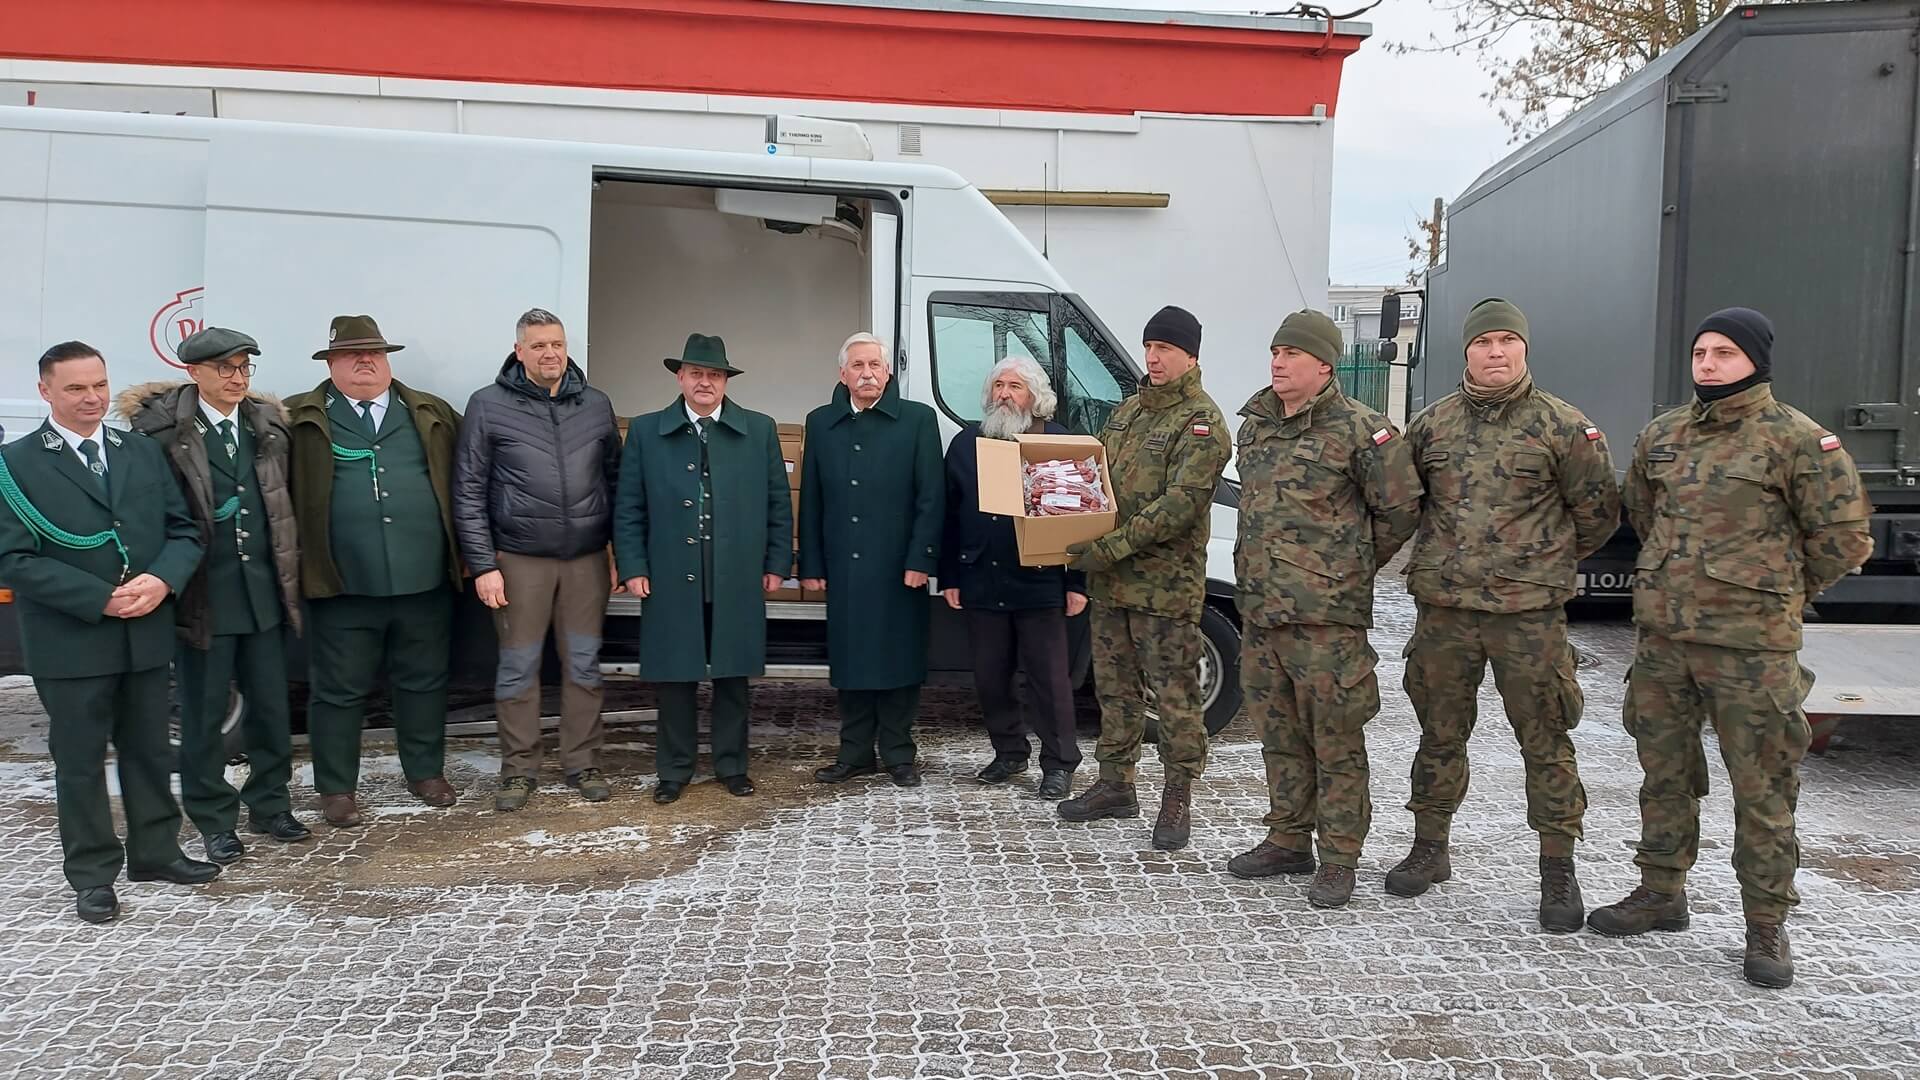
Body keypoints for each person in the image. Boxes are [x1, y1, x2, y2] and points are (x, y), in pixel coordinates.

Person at [1586, 307, 1872, 989]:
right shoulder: (1664, 435)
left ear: (1756, 360)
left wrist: (1775, 592)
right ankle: (1661, 891)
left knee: (1764, 788)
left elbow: (1843, 538)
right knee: (1665, 776)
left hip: (1752, 649)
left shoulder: (1798, 441)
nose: (1709, 364)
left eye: (1725, 353)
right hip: (1665, 643)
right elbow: (1646, 515)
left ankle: (1765, 922)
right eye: (1701, 352)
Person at [1387, 298, 1620, 930]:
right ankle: (1429, 848)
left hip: (1528, 615)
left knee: (1545, 739)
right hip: (1446, 609)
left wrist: (1540, 560)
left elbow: (1598, 513)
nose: (1496, 352)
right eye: (1483, 342)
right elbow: (1407, 506)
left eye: (1506, 342)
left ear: (1524, 349)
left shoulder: (1563, 426)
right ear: (1465, 352)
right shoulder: (1431, 427)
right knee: (1438, 733)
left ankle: (1557, 869)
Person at [0, 342, 212, 923]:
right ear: (45, 391)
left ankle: (156, 851)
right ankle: (93, 874)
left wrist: (163, 583)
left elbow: (183, 530)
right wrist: (100, 599)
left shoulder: (138, 451)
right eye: (75, 388)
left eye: (98, 384)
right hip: (72, 642)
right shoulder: (15, 463)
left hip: (145, 631)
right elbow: (12, 558)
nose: (92, 398)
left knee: (148, 750)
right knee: (80, 761)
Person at [1222, 310, 1420, 906]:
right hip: (1261, 609)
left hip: (1327, 618)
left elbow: (1400, 511)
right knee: (1278, 733)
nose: (1277, 362)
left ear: (1324, 365)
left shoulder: (1363, 430)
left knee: (1334, 738)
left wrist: (1345, 567)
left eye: (1291, 353)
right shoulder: (1255, 426)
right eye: (1275, 351)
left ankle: (1339, 857)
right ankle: (1287, 837)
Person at [118, 327, 311, 866]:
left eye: (245, 367)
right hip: (204, 592)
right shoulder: (161, 433)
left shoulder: (265, 424)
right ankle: (213, 817)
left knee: (272, 707)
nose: (238, 378)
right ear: (195, 372)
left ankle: (270, 803)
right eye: (226, 369)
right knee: (204, 715)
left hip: (264, 591)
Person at [1057, 305, 1230, 851]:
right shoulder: (1127, 414)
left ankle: (1177, 796)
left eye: (1165, 349)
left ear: (1191, 356)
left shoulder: (1202, 421)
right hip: (1112, 583)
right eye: (1149, 347)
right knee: (1114, 688)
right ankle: (1115, 784)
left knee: (1175, 696)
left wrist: (1108, 547)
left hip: (1164, 587)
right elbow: (1097, 481)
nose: (1153, 358)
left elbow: (1179, 506)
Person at [286, 315, 464, 827]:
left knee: (424, 681)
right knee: (338, 690)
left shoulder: (430, 411)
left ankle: (425, 772)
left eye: (376, 354)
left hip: (423, 577)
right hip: (341, 582)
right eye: (352, 355)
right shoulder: (300, 416)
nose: (366, 362)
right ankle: (337, 788)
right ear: (331, 363)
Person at [454, 309, 622, 810]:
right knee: (519, 667)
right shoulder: (487, 406)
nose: (550, 353)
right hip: (519, 560)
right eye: (539, 345)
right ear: (519, 350)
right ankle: (519, 769)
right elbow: (467, 491)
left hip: (586, 560)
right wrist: (483, 565)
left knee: (585, 666)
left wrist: (616, 551)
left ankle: (582, 761)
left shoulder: (595, 405)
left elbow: (615, 481)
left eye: (557, 344)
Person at [613, 333, 790, 803]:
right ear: (680, 378)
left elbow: (777, 503)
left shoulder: (759, 429)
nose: (705, 382)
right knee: (675, 675)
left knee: (732, 674)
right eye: (697, 373)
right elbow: (628, 506)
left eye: (714, 375)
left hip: (736, 572)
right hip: (670, 574)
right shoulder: (648, 432)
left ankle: (732, 765)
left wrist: (776, 561)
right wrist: (632, 564)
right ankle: (674, 770)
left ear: (726, 381)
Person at [800, 332, 944, 788]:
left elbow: (931, 497)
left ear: (887, 372)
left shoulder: (918, 420)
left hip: (901, 567)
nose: (866, 373)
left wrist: (922, 557)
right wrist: (813, 565)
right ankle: (855, 752)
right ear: (842, 374)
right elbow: (813, 500)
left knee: (900, 661)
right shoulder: (821, 422)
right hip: (845, 567)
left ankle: (900, 753)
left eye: (874, 366)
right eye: (857, 366)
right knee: (851, 661)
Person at [939, 356, 1086, 800]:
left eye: (1015, 386)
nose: (1004, 393)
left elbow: (1080, 518)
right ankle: (1008, 752)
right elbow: (949, 516)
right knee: (990, 675)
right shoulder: (967, 444)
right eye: (998, 385)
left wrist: (1077, 583)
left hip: (1042, 582)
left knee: (1050, 679)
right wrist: (950, 575)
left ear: (1034, 397)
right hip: (982, 577)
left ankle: (1060, 764)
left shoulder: (1060, 444)